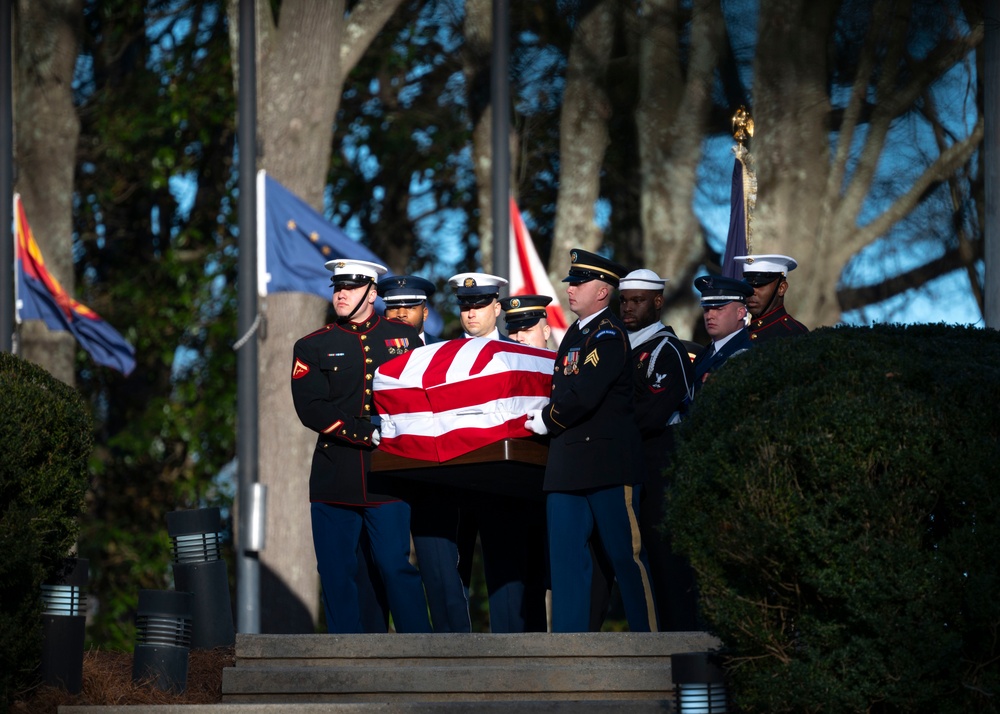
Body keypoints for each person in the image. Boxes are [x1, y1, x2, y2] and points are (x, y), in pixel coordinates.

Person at [291, 258, 431, 634]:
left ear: (371, 293)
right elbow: (311, 407)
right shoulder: (312, 346)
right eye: (337, 287)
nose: (340, 294)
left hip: (388, 474)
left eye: (349, 288)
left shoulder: (404, 336)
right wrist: (362, 432)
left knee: (393, 565)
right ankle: (344, 655)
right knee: (337, 571)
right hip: (335, 475)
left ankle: (422, 647)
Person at [524, 249, 658, 633]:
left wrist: (548, 420)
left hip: (607, 465)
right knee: (565, 563)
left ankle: (650, 639)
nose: (571, 289)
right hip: (569, 466)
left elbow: (584, 393)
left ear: (602, 292)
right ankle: (569, 645)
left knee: (625, 556)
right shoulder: (577, 334)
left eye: (579, 283)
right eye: (571, 282)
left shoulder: (609, 335)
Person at [447, 272, 546, 633]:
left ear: (497, 307)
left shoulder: (518, 355)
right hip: (454, 476)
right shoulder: (441, 357)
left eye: (479, 304)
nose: (471, 312)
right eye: (465, 305)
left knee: (508, 572)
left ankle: (515, 654)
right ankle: (450, 658)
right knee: (451, 571)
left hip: (503, 478)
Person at [377, 273, 471, 633]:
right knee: (386, 565)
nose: (400, 313)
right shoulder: (367, 350)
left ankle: (457, 652)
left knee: (442, 568)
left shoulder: (445, 353)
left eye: (409, 307)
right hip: (387, 472)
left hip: (435, 473)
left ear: (424, 310)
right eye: (393, 306)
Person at [618, 268, 699, 630]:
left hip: (660, 463)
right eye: (624, 300)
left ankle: (679, 637)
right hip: (627, 461)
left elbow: (653, 413)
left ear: (658, 302)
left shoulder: (668, 350)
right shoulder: (619, 345)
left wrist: (609, 427)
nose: (628, 307)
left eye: (637, 300)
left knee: (665, 556)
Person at [692, 274, 755, 388]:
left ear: (740, 313)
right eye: (706, 309)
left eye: (719, 309)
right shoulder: (705, 353)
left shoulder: (746, 355)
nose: (709, 315)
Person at [734, 254, 809, 341]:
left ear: (782, 288)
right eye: (748, 286)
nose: (751, 292)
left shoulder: (795, 334)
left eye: (759, 285)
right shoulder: (741, 335)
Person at [378, 274, 441, 345]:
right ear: (385, 314)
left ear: (425, 313)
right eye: (394, 308)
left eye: (410, 307)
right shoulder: (373, 351)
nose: (401, 314)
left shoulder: (444, 349)